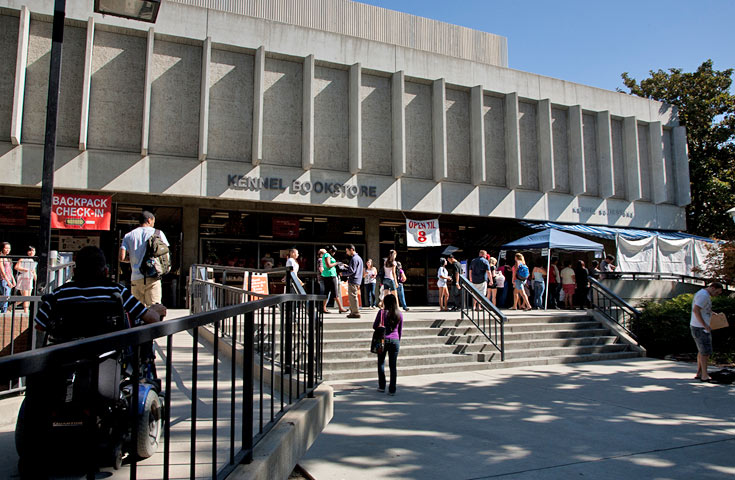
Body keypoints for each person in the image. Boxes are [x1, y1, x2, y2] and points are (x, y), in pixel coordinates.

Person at [35, 246, 166, 333]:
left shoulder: (59, 294)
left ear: (74, 270)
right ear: (106, 271)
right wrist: (155, 309)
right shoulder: (116, 291)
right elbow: (151, 318)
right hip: (107, 356)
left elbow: (40, 326)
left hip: (68, 360)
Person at [119, 211, 170, 307]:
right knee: (155, 309)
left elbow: (121, 257)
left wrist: (134, 259)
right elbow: (165, 254)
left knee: (137, 311)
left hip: (135, 278)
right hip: (153, 277)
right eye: (153, 221)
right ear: (149, 220)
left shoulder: (128, 235)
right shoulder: (158, 233)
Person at [690, 282, 724, 382]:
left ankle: (700, 373)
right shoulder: (703, 295)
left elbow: (702, 309)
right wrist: (705, 325)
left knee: (702, 351)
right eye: (717, 292)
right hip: (701, 328)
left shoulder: (703, 294)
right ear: (713, 288)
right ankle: (704, 375)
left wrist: (711, 313)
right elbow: (696, 310)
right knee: (705, 352)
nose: (717, 295)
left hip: (699, 327)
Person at [373, 293, 403, 396]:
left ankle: (382, 386)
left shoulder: (382, 313)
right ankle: (392, 388)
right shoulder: (399, 314)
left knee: (381, 362)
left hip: (383, 340)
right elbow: (400, 330)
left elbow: (374, 326)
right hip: (395, 340)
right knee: (393, 365)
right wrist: (398, 340)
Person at [321, 245, 347, 314]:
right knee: (335, 292)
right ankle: (340, 308)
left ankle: (323, 308)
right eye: (334, 252)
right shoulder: (327, 255)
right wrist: (337, 263)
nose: (334, 253)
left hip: (327, 275)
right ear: (331, 251)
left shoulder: (325, 255)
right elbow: (328, 265)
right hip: (331, 275)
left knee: (326, 292)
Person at [14, 246, 37, 313]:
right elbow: (16, 267)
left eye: (33, 251)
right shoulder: (22, 259)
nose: (32, 252)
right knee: (25, 296)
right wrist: (24, 269)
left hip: (30, 279)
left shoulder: (33, 260)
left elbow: (34, 271)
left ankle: (12, 306)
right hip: (23, 278)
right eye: (30, 250)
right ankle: (26, 311)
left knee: (28, 297)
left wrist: (35, 277)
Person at [343, 245, 364, 318]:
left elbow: (352, 271)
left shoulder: (354, 259)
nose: (347, 252)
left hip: (353, 279)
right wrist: (347, 267)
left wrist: (343, 273)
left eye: (347, 251)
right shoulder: (359, 258)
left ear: (351, 249)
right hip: (357, 279)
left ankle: (355, 312)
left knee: (353, 296)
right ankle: (353, 312)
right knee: (353, 296)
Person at [0, 242, 16, 313]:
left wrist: (13, 279)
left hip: (9, 278)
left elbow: (10, 270)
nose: (7, 250)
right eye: (6, 248)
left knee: (8, 295)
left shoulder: (8, 257)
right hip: (3, 279)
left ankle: (4, 310)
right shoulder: (1, 257)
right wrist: (8, 281)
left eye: (9, 248)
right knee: (5, 295)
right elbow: (2, 271)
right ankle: (4, 310)